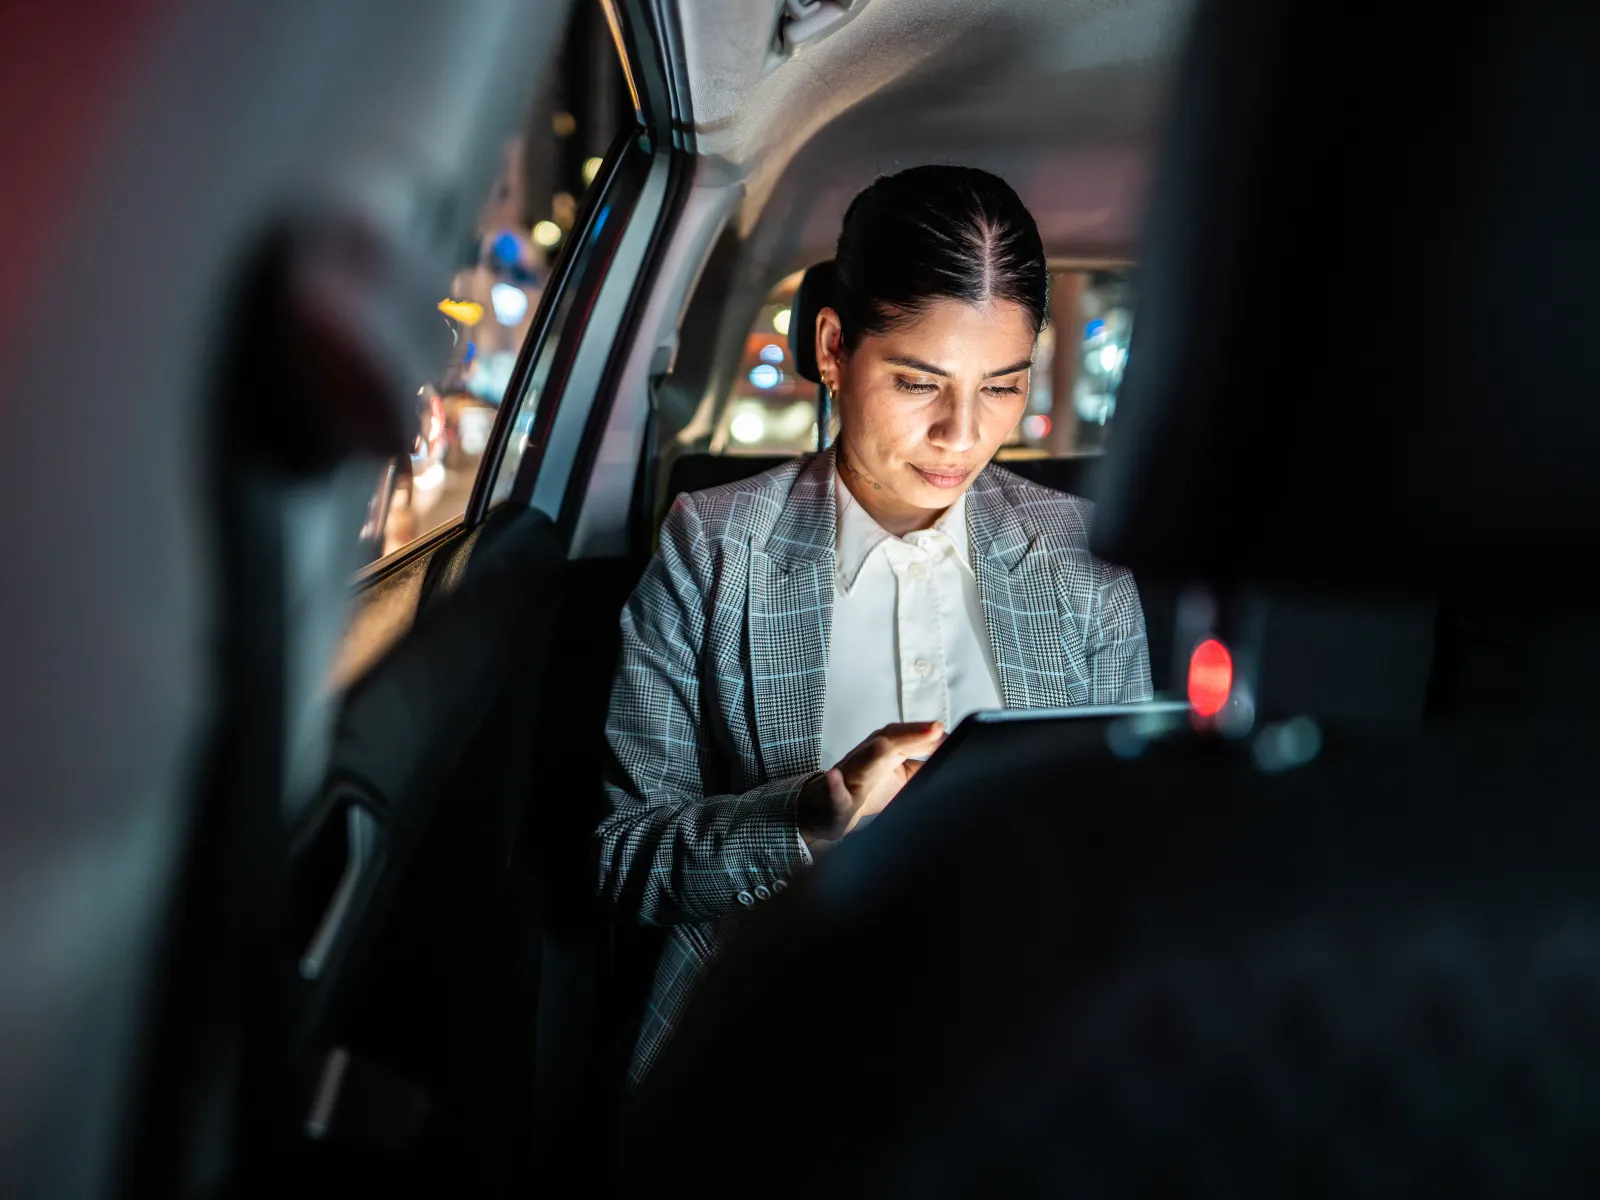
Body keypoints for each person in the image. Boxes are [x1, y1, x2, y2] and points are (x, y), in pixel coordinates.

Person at [594, 164, 1153, 1087]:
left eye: (1003, 387)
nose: (963, 434)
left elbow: (1131, 840)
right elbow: (622, 857)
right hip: (771, 1056)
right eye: (917, 382)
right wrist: (808, 819)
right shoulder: (716, 547)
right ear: (831, 347)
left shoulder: (1082, 559)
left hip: (1027, 1059)